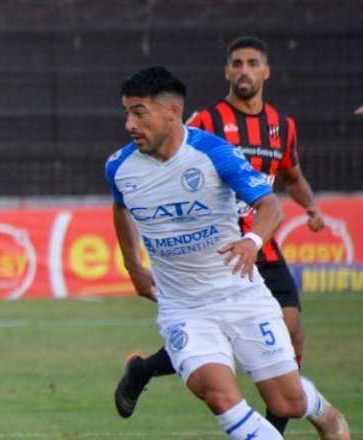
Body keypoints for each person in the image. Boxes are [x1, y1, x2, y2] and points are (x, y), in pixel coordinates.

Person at [106, 66, 348, 439]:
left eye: (138, 112)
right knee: (220, 397)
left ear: (170, 112)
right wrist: (133, 267)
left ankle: (322, 411)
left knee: (289, 405)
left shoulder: (214, 153)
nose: (129, 124)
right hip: (183, 308)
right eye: (127, 112)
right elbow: (120, 208)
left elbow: (271, 207)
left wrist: (251, 243)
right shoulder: (119, 167)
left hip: (240, 294)